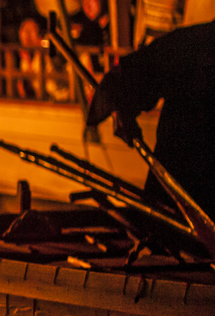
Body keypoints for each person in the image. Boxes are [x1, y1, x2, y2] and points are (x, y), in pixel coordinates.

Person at [86, 19, 215, 219]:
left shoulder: (197, 42)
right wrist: (120, 105)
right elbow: (134, 73)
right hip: (177, 200)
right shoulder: (198, 44)